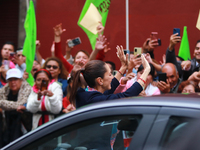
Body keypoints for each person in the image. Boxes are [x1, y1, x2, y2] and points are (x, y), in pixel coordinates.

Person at [69, 45, 151, 108]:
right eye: (110, 74)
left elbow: (111, 87)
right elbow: (125, 95)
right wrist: (146, 70)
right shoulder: (95, 99)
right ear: (100, 81)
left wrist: (123, 67)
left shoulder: (86, 94)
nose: (113, 77)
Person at [0, 68, 32, 147]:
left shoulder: (28, 90)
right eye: (10, 80)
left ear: (21, 80)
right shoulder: (3, 91)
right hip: (6, 127)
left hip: (22, 128)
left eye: (16, 79)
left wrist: (2, 104)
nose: (13, 82)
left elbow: (21, 104)